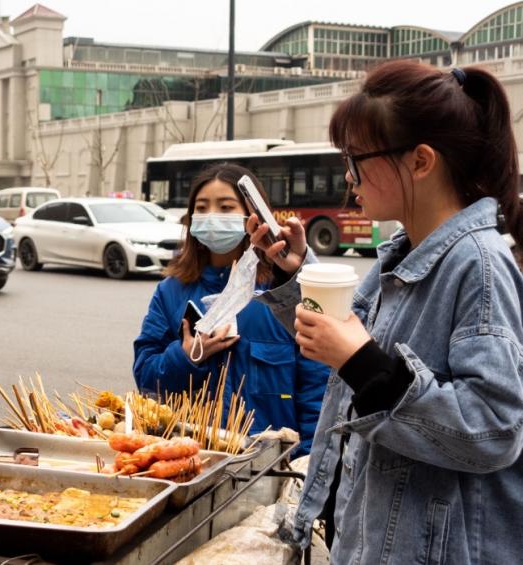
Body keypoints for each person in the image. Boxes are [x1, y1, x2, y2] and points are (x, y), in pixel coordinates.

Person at [248, 61, 523, 563]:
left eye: (356, 158)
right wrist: (295, 276)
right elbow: (344, 342)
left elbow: (495, 430)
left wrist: (363, 364)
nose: (348, 177)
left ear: (420, 161)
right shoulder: (403, 254)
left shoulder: (479, 265)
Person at [133, 163, 329, 456]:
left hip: (266, 464)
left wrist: (308, 462)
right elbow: (146, 378)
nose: (212, 216)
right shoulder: (171, 290)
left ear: (253, 216)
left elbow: (316, 385)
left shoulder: (283, 293)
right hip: (191, 458)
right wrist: (187, 356)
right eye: (202, 207)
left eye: (226, 207)